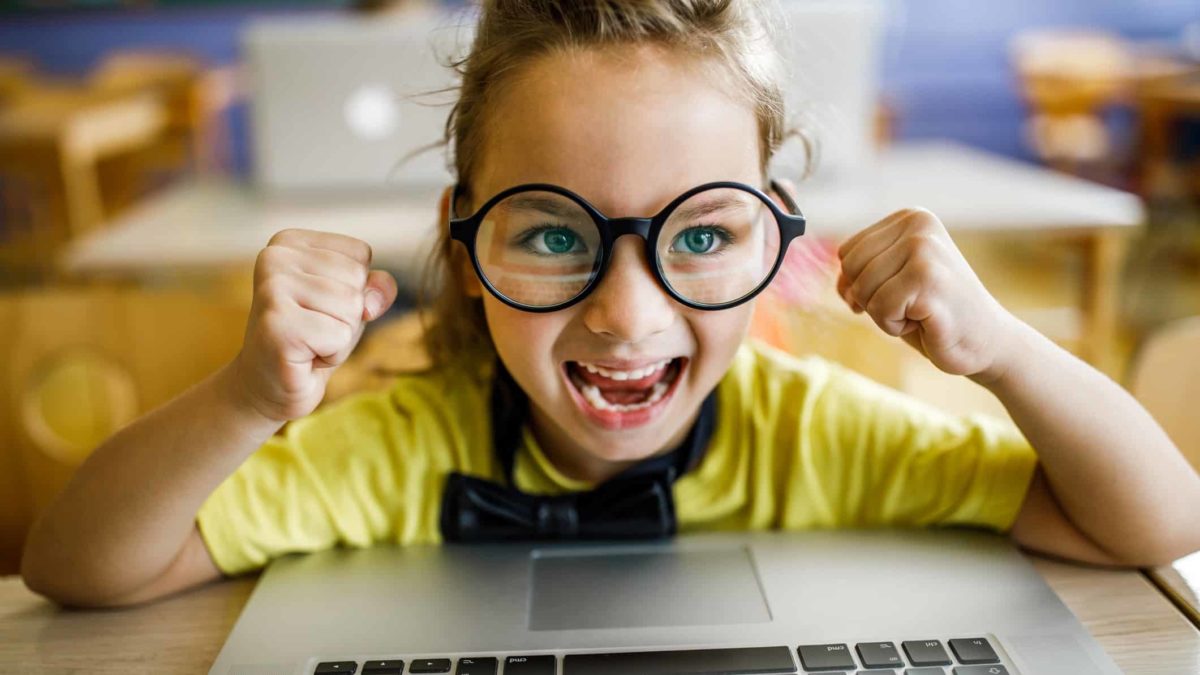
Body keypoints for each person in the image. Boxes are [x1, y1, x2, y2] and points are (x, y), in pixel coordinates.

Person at [21, 0, 1200, 608]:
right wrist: (244, 398)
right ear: (464, 246)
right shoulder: (397, 449)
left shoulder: (814, 434)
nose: (627, 317)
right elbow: (79, 570)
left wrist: (1006, 355)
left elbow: (1158, 528)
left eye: (702, 235)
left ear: (773, 236)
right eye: (552, 235)